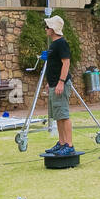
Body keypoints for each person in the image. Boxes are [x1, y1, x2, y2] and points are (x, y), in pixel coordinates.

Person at [42, 16, 76, 157]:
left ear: (54, 29)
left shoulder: (61, 43)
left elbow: (66, 63)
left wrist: (61, 82)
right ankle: (61, 143)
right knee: (58, 116)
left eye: (48, 27)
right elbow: (53, 65)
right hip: (54, 84)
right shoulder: (53, 44)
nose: (45, 29)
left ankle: (69, 145)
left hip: (60, 84)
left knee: (63, 115)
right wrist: (50, 82)